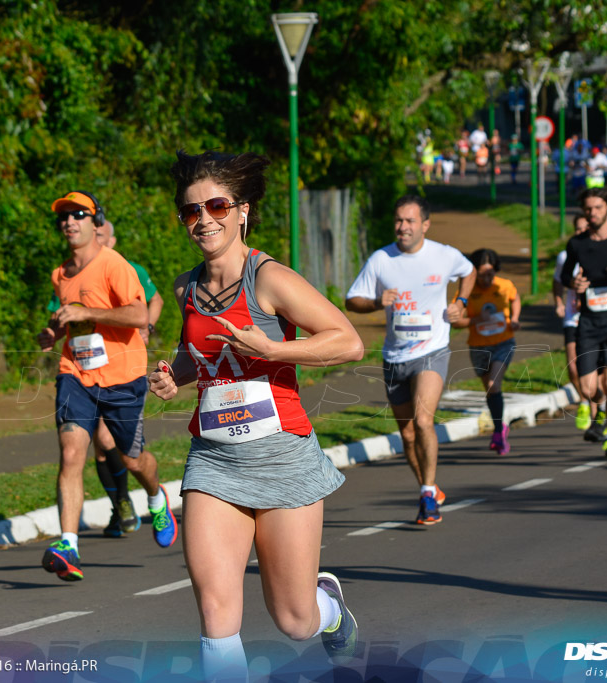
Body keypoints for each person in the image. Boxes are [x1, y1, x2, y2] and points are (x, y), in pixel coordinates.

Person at [148, 150, 364, 677]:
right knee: (216, 613)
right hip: (214, 462)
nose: (204, 220)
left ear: (241, 210)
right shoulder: (186, 288)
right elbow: (203, 353)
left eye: (216, 206)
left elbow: (348, 342)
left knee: (294, 620)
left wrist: (273, 350)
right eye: (191, 211)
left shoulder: (269, 279)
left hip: (282, 458)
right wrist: (174, 375)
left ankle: (329, 610)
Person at [37, 190, 178, 581]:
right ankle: (68, 543)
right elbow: (62, 317)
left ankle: (155, 496)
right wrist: (51, 332)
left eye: (78, 215)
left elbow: (137, 313)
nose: (69, 222)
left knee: (133, 460)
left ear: (95, 221)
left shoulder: (113, 264)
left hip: (122, 376)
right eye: (63, 217)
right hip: (75, 373)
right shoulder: (60, 274)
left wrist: (89, 311)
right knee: (70, 453)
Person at [346, 195, 475, 524]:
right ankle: (428, 487)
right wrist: (377, 302)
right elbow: (352, 300)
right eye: (399, 221)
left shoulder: (443, 255)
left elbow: (469, 270)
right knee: (406, 435)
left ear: (425, 225)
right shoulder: (381, 259)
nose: (403, 227)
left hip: (431, 350)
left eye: (410, 221)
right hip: (394, 355)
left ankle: (428, 494)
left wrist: (460, 300)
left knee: (423, 422)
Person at [90, 219, 165, 537]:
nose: (97, 241)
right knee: (99, 444)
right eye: (93, 236)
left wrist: (146, 327)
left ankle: (152, 497)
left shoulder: (128, 268)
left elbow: (155, 300)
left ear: (113, 239)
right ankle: (119, 504)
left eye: (102, 236)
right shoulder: (75, 271)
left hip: (124, 370)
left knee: (122, 451)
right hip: (87, 369)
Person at [560, 187, 607, 456]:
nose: (592, 214)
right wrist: (573, 282)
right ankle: (600, 409)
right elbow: (566, 276)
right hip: (588, 321)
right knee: (589, 387)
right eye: (588, 209)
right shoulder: (577, 244)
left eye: (597, 208)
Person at [450, 249, 520, 455]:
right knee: (490, 391)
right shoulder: (467, 291)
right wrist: (475, 320)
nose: (487, 278)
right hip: (478, 346)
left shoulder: (504, 285)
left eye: (491, 273)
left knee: (493, 384)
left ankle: (498, 432)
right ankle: (501, 428)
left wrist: (514, 318)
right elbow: (455, 321)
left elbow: (515, 298)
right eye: (482, 274)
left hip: (503, 343)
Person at [553, 214, 596, 432]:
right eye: (577, 229)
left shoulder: (597, 250)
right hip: (572, 316)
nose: (580, 232)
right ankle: (584, 401)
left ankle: (599, 405)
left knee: (595, 368)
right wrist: (559, 302)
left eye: (583, 228)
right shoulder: (565, 255)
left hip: (595, 315)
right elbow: (558, 280)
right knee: (572, 363)